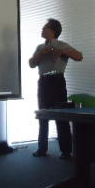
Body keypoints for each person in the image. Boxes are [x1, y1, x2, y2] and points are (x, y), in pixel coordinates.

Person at [29, 18, 82, 159]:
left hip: (57, 81)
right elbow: (31, 64)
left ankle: (66, 151)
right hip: (43, 82)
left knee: (61, 116)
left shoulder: (63, 45)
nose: (42, 29)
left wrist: (63, 52)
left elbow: (79, 56)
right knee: (43, 115)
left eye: (45, 27)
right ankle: (42, 149)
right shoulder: (40, 47)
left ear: (53, 31)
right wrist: (42, 53)